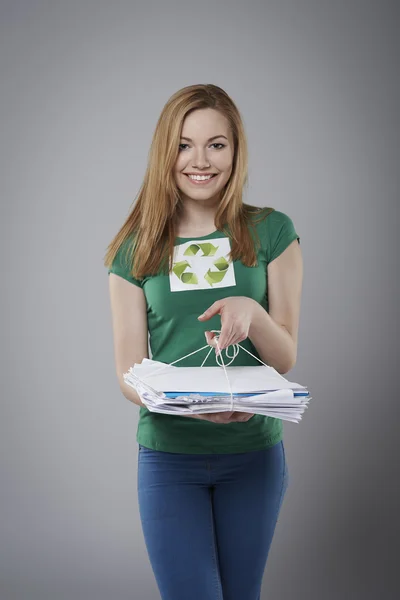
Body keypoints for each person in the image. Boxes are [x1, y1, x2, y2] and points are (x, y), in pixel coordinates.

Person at [104, 84, 303, 600]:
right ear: (164, 152)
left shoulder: (272, 232)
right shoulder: (137, 247)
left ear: (235, 152)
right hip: (170, 456)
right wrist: (189, 406)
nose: (200, 160)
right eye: (184, 144)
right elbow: (129, 370)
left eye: (217, 144)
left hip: (252, 457)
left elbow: (284, 357)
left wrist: (253, 314)